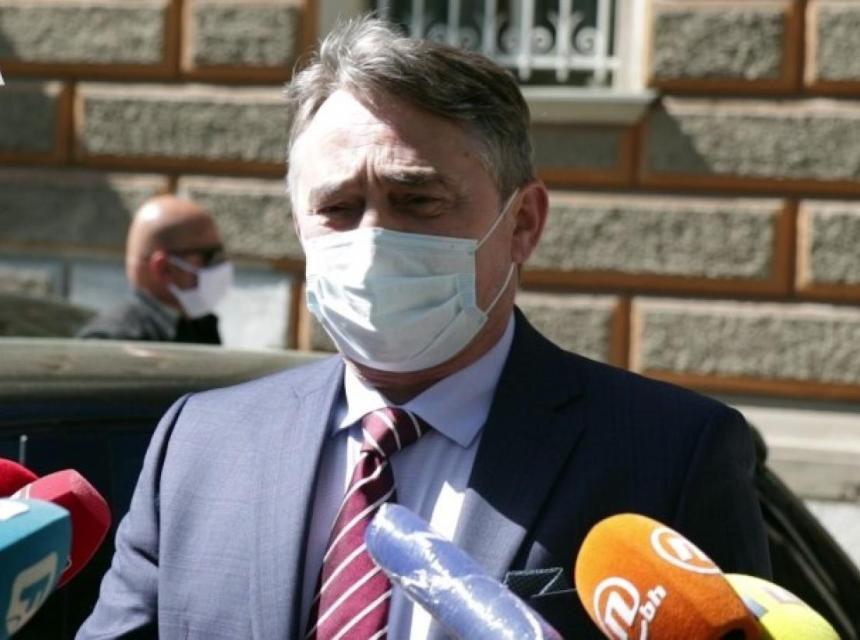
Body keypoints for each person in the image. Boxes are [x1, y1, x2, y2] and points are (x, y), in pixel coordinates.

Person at [77, 17, 771, 639]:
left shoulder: (669, 455)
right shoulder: (199, 445)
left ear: (523, 223)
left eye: (417, 200)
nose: (373, 240)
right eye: (338, 207)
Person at [76, 195, 232, 345]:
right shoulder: (114, 339)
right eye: (210, 256)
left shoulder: (200, 325)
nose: (220, 266)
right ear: (164, 268)